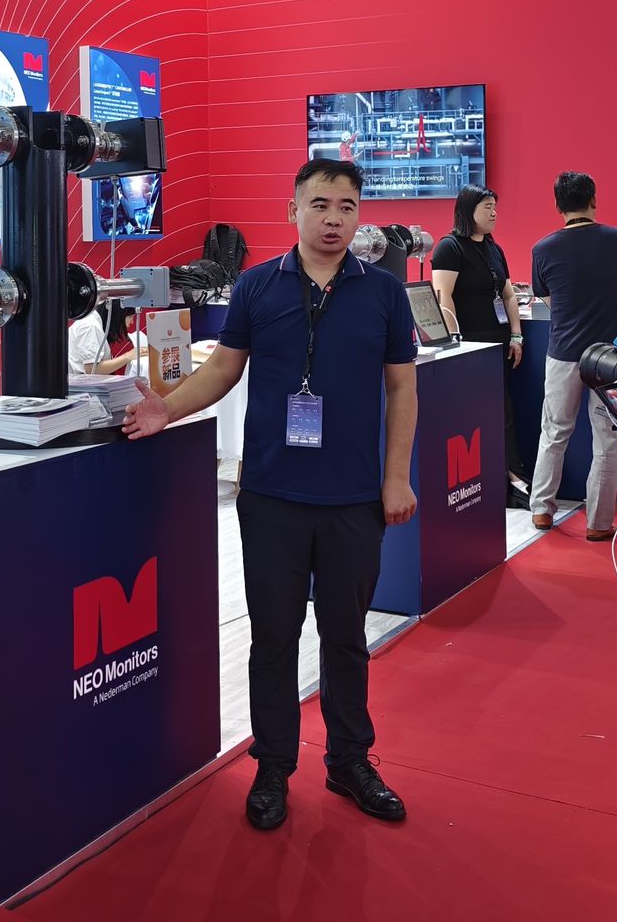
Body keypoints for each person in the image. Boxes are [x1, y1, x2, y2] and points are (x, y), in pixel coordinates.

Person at [123, 160, 417, 830]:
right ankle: (274, 764)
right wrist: (169, 408)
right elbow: (224, 370)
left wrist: (395, 477)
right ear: (293, 211)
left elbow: (403, 388)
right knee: (275, 637)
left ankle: (349, 760)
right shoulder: (257, 285)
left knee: (346, 637)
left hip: (352, 498)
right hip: (272, 495)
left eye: (347, 206)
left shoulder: (384, 292)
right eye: (320, 204)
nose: (334, 219)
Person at [527, 171, 617, 541]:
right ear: (594, 200)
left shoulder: (543, 248)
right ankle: (599, 523)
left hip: (563, 352)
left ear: (558, 206)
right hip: (611, 355)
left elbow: (548, 300)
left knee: (554, 431)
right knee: (606, 436)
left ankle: (542, 509)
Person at [429, 186, 527, 508]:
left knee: (503, 409)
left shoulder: (493, 248)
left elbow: (508, 295)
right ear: (468, 210)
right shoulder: (450, 247)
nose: (494, 213)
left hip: (498, 341)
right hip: (469, 343)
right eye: (487, 207)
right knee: (474, 414)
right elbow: (443, 298)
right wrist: (454, 343)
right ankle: (497, 478)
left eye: (495, 206)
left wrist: (516, 335)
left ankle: (512, 475)